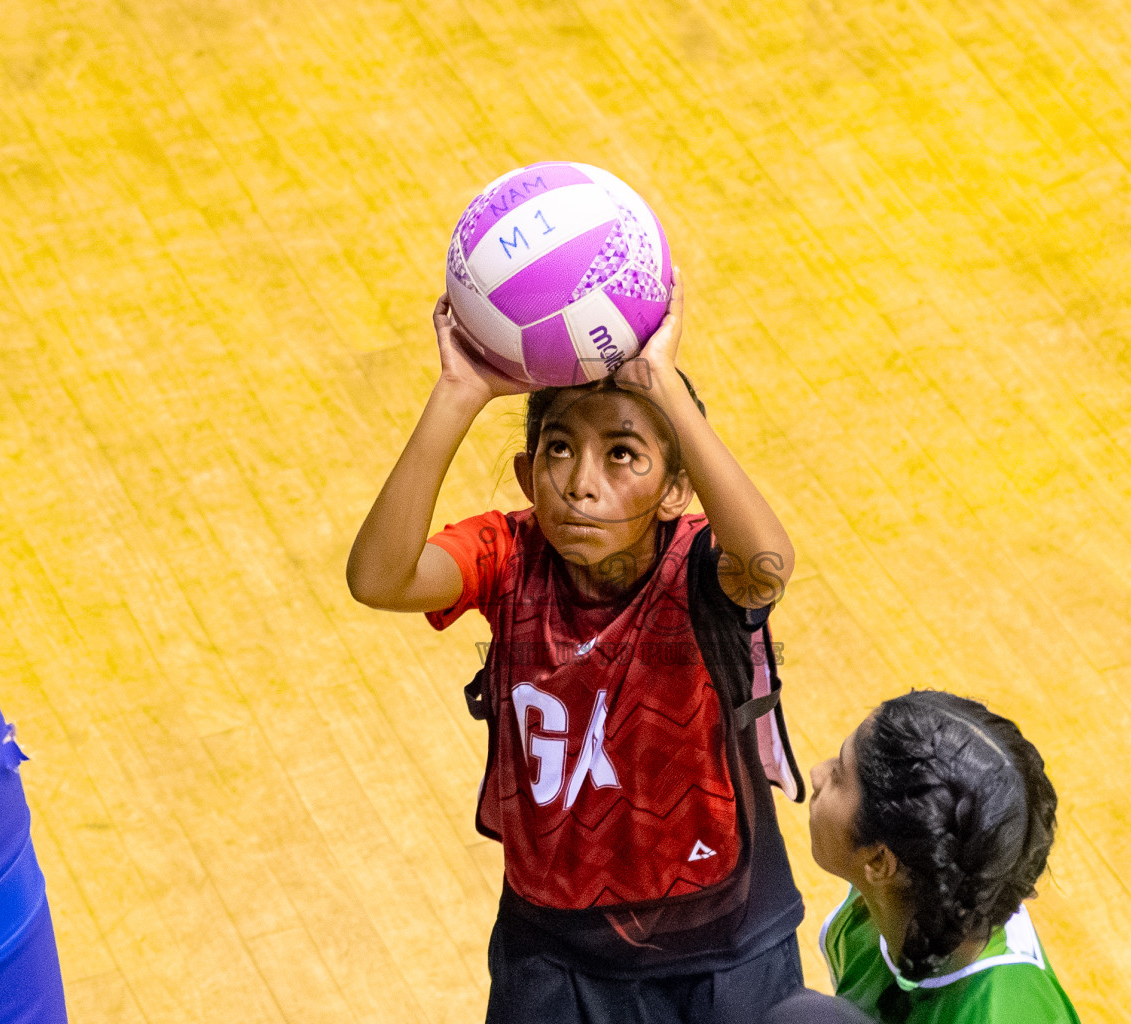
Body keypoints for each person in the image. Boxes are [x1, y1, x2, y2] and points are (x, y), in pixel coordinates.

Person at [346, 272, 807, 1024]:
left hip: (725, 945)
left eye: (622, 454)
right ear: (529, 475)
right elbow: (377, 577)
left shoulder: (700, 568)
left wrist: (663, 382)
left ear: (675, 490)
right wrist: (458, 392)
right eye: (558, 449)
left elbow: (769, 564)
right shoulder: (506, 552)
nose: (581, 484)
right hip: (554, 952)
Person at [804, 690, 1080, 1023]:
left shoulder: (997, 1013)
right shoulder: (910, 892)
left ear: (879, 861)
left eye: (838, 775)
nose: (817, 773)